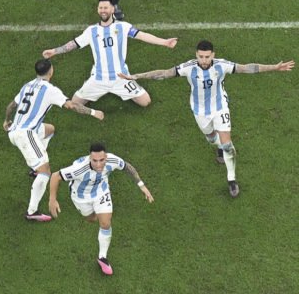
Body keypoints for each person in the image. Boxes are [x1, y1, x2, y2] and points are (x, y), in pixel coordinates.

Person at [118, 40, 294, 197]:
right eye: (201, 56)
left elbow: (246, 67)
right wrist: (136, 76)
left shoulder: (221, 65)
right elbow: (164, 73)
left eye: (207, 57)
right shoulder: (188, 68)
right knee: (211, 139)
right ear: (196, 55)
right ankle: (218, 147)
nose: (204, 60)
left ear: (213, 55)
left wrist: (273, 67)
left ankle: (231, 179)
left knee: (227, 144)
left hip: (219, 108)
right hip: (200, 111)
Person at [3, 59, 105, 222]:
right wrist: (93, 112)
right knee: (46, 172)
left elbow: (11, 106)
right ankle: (32, 211)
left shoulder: (27, 85)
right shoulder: (50, 90)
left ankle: (36, 167)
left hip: (18, 130)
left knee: (50, 129)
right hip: (25, 134)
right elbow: (71, 105)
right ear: (51, 71)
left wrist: (6, 121)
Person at [42, 0, 177, 108]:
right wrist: (54, 51)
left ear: (113, 9)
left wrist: (164, 42)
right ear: (97, 10)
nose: (103, 10)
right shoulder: (91, 31)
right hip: (98, 78)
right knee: (75, 103)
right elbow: (74, 44)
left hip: (121, 77)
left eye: (106, 7)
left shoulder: (123, 27)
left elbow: (142, 35)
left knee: (145, 102)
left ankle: (117, 91)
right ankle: (93, 89)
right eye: (100, 8)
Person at [48, 142, 153, 275]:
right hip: (81, 197)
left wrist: (142, 185)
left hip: (101, 192)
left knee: (105, 222)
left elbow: (127, 167)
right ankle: (97, 214)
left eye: (102, 160)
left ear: (106, 157)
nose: (98, 164)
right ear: (89, 158)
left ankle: (102, 257)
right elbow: (55, 176)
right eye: (95, 160)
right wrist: (52, 199)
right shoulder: (79, 168)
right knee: (92, 219)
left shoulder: (113, 160)